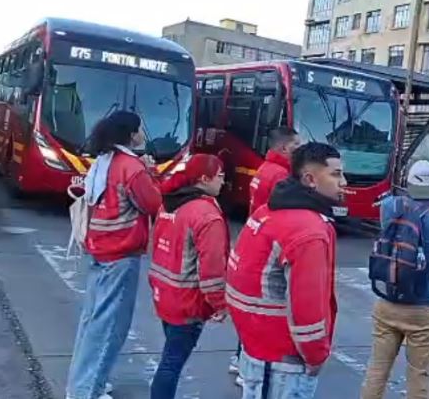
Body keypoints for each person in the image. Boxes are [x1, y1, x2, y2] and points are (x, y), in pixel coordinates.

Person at [226, 142, 345, 398]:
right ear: (310, 179)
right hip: (283, 360)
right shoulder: (308, 231)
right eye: (336, 174)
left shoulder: (267, 211)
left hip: (257, 347)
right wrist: (315, 355)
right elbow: (307, 304)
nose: (343, 181)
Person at [66, 111, 163, 399]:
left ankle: (84, 383)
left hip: (100, 248)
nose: (143, 134)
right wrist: (151, 173)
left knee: (92, 323)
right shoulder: (131, 167)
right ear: (131, 134)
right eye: (140, 130)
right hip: (120, 254)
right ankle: (86, 390)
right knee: (109, 328)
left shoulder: (105, 160)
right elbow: (152, 202)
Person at [360, 160, 429, 399]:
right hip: (424, 304)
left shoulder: (389, 206)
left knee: (377, 369)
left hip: (388, 299)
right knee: (421, 373)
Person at [148, 154, 229, 399]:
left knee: (170, 358)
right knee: (171, 364)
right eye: (221, 176)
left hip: (165, 293)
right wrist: (219, 303)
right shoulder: (207, 215)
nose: (223, 182)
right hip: (188, 301)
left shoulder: (169, 204)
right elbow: (212, 268)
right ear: (204, 179)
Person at [230, 126, 300, 384]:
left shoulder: (263, 169)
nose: (299, 150)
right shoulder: (281, 176)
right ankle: (247, 362)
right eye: (296, 146)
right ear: (284, 148)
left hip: (256, 239)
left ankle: (240, 357)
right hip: (270, 247)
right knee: (264, 310)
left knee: (253, 307)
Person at [248, 127, 300, 214]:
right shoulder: (281, 174)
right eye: (296, 144)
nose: (300, 148)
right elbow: (284, 210)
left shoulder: (264, 167)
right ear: (284, 148)